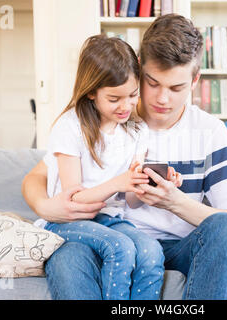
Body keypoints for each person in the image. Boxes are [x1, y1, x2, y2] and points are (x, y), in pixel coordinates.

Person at [22, 14, 227, 300]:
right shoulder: (110, 118)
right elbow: (37, 175)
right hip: (109, 238)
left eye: (176, 88)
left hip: (178, 246)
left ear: (195, 81)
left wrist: (175, 202)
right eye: (152, 83)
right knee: (67, 257)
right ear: (139, 69)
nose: (162, 99)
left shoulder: (211, 133)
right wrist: (45, 208)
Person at [36, 34, 181, 300]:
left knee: (151, 252)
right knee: (121, 247)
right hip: (64, 221)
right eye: (114, 99)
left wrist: (152, 183)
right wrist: (118, 182)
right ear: (91, 91)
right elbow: (73, 200)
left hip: (111, 220)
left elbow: (132, 202)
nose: (126, 106)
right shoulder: (69, 127)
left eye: (132, 95)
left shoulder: (137, 130)